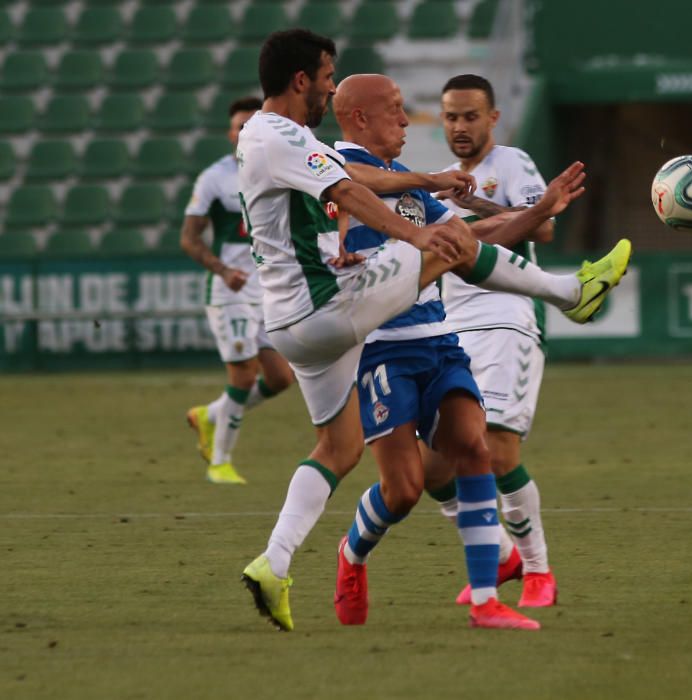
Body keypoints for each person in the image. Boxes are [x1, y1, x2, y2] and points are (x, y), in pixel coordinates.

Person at [238, 29, 631, 632]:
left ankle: (275, 562)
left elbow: (361, 193)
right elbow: (346, 187)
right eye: (325, 75)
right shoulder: (286, 135)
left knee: (345, 450)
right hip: (332, 319)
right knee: (448, 248)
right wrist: (417, 233)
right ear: (303, 81)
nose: (407, 117)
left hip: (315, 325)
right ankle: (572, 293)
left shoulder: (296, 143)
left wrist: (520, 207)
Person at [423, 74, 564, 608]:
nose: (460, 126)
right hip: (449, 323)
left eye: (470, 116)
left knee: (499, 452)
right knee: (432, 468)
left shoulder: (509, 163)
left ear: (492, 118)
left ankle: (537, 571)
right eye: (452, 117)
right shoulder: (435, 180)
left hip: (507, 316)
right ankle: (502, 552)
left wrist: (474, 208)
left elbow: (543, 225)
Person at [181, 96, 295, 485]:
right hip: (230, 289)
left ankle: (211, 415)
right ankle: (220, 462)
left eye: (253, 124)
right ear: (231, 133)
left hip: (267, 289)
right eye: (240, 126)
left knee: (280, 378)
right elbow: (190, 238)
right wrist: (222, 269)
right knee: (244, 375)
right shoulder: (215, 178)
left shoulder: (278, 169)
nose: (245, 131)